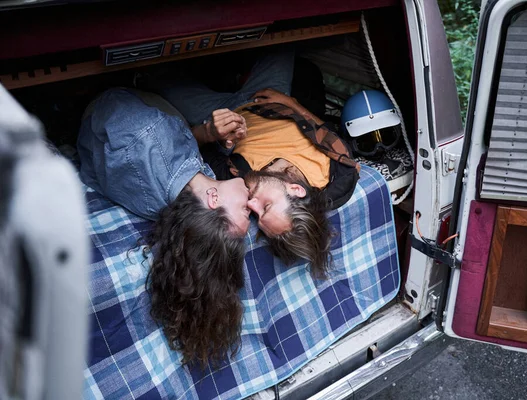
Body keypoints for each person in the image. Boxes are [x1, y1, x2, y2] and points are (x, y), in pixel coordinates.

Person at [77, 88, 251, 368]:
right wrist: (207, 135)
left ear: (213, 200)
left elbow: (112, 97)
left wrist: (201, 131)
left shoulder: (147, 135)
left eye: (245, 210)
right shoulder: (179, 205)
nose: (252, 204)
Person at [148, 50, 360, 279]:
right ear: (296, 189)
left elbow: (188, 143)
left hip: (219, 110)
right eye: (266, 207)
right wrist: (292, 103)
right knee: (284, 38)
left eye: (257, 216)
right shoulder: (333, 173)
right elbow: (329, 133)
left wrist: (212, 134)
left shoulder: (238, 180)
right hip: (267, 99)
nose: (252, 203)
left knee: (154, 73)